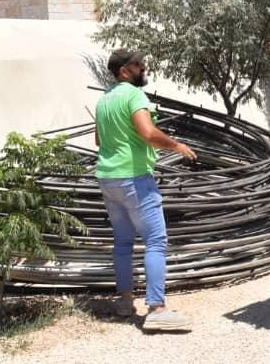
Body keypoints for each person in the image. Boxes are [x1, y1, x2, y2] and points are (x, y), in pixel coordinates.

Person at [95, 49, 197, 332]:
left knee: (123, 242)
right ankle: (157, 309)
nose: (144, 67)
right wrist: (177, 146)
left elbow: (97, 139)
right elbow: (147, 132)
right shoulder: (134, 95)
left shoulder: (103, 100)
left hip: (108, 177)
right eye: (139, 64)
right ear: (125, 70)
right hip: (134, 177)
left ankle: (125, 302)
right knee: (155, 240)